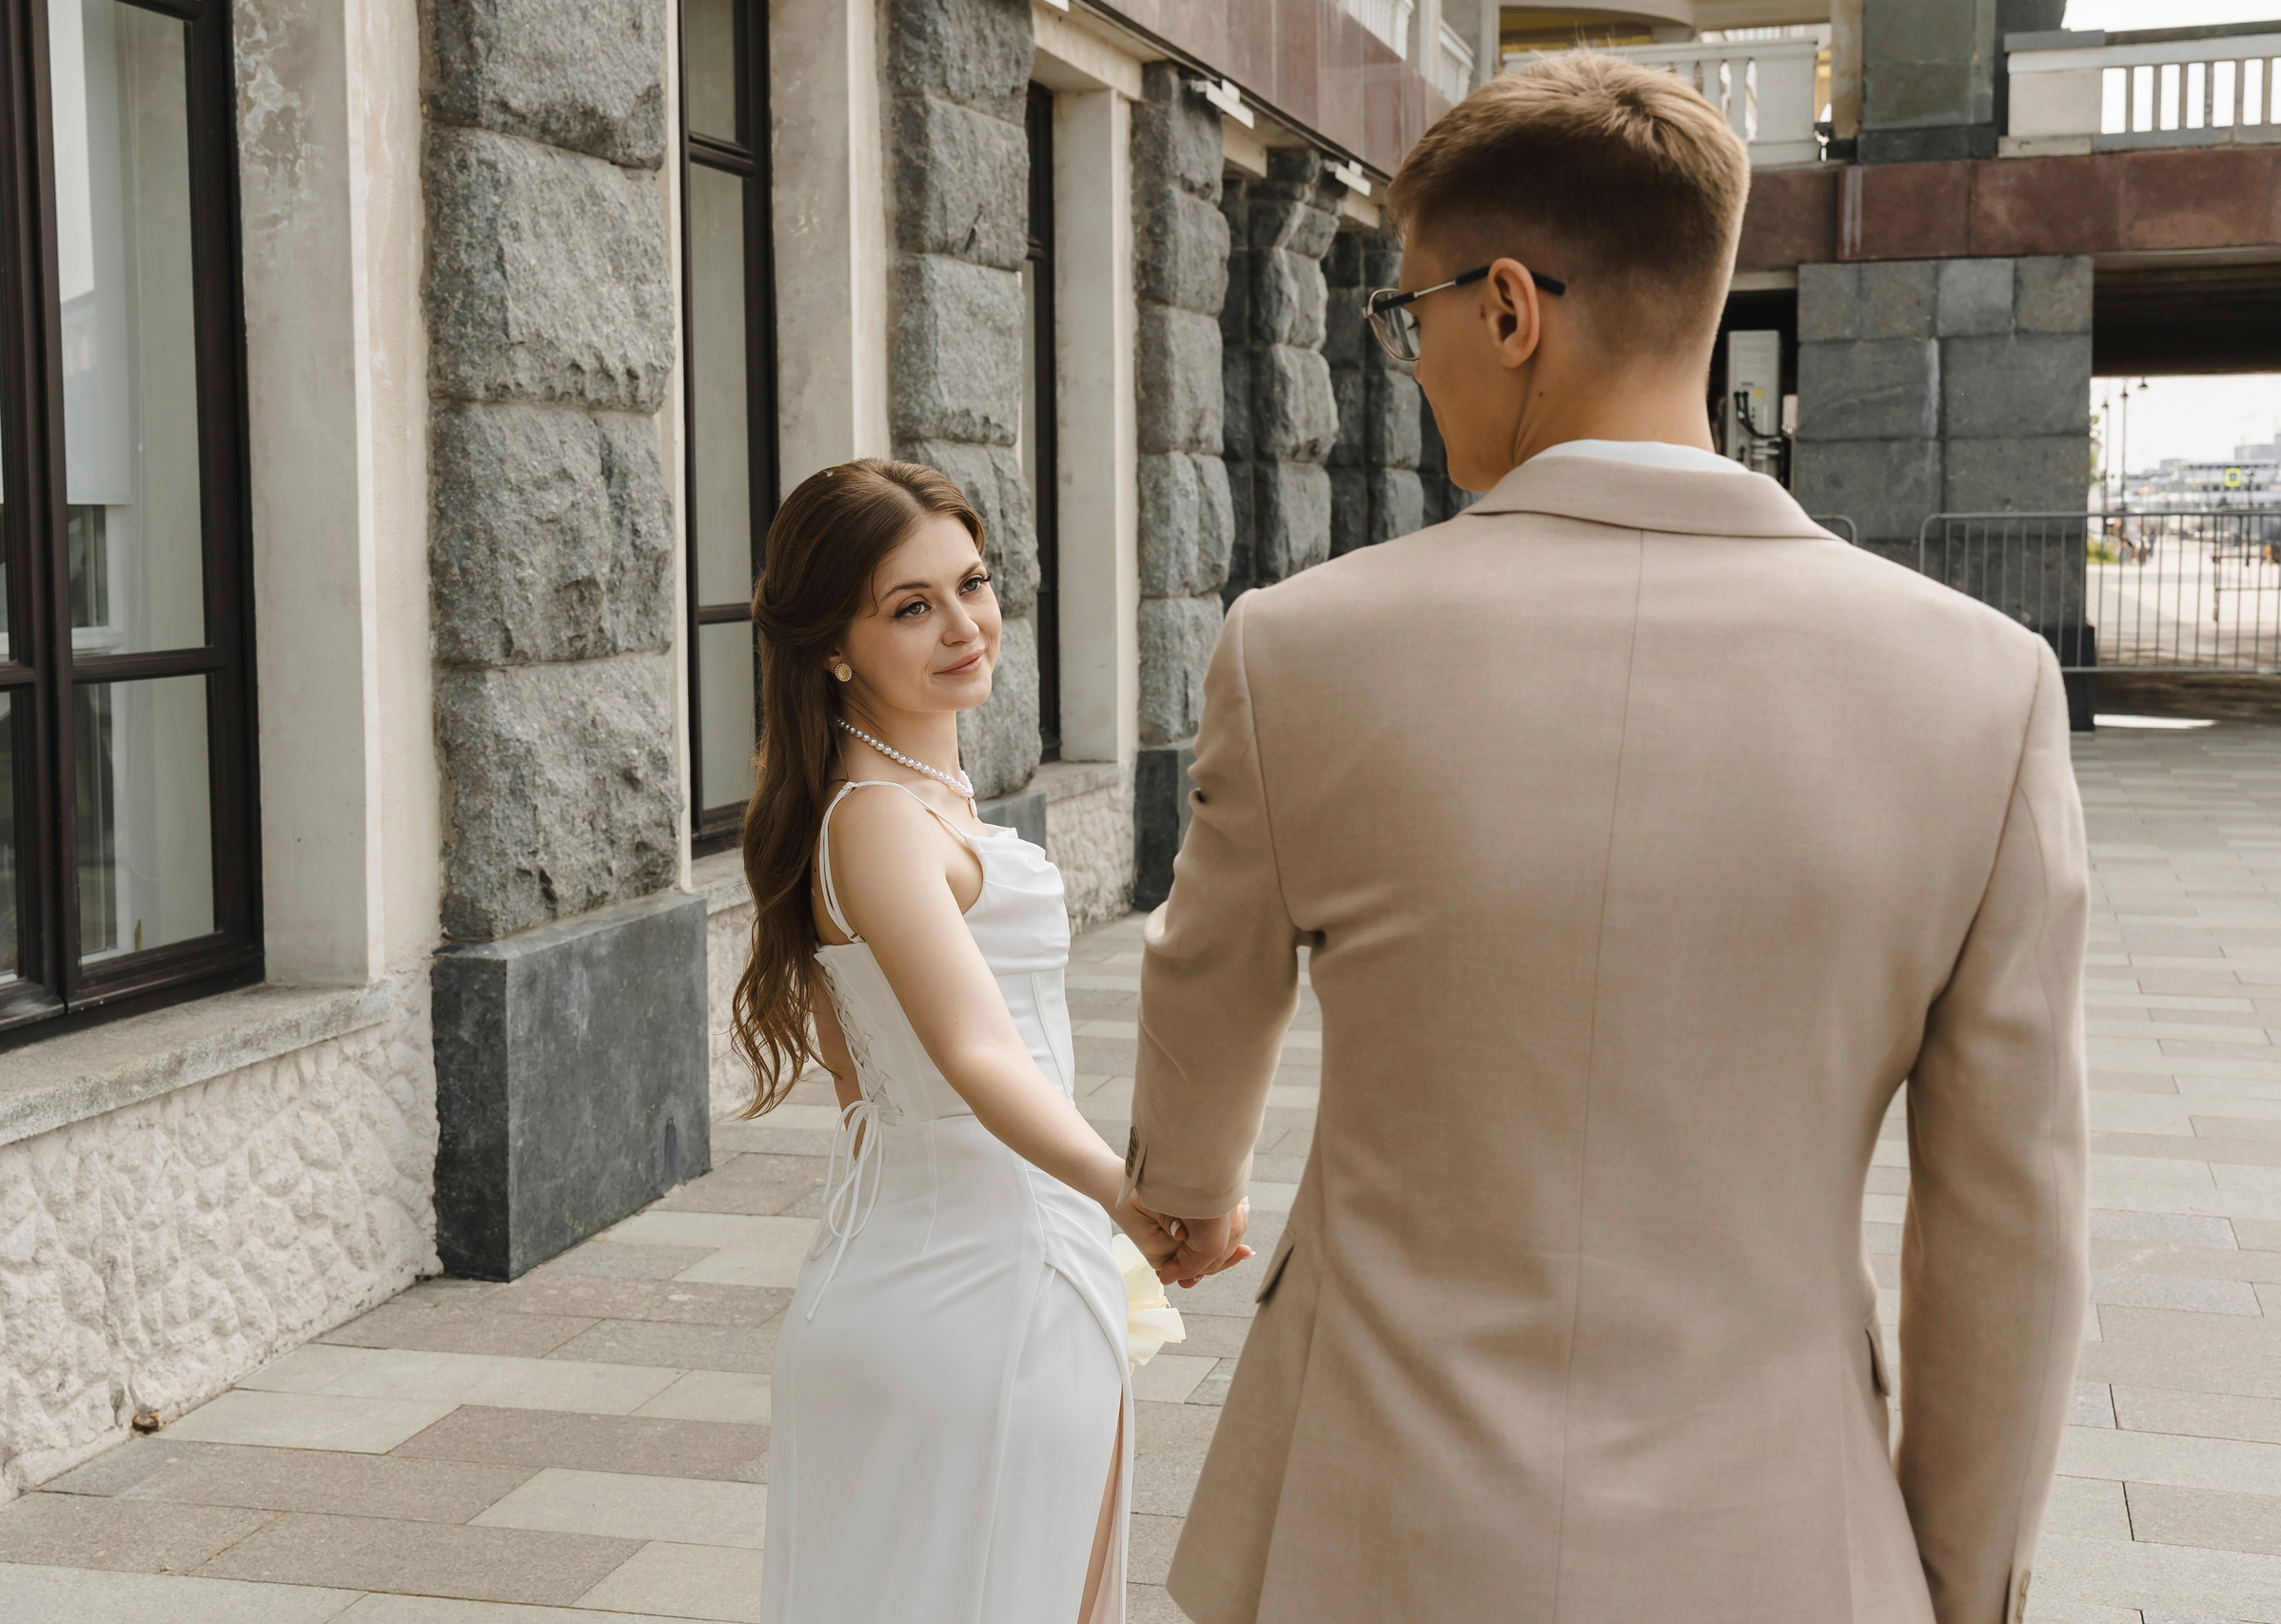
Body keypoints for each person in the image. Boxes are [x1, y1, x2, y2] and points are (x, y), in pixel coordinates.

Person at [1126, 53, 2089, 1624]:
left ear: (1511, 308)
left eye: (1407, 311)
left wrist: (1187, 1179)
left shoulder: (1301, 649)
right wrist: (1958, 1585)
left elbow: (1206, 972)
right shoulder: (1984, 688)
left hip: (1368, 1518)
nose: (1410, 356)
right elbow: (2011, 1222)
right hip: (1776, 1534)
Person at [735, 460, 1225, 1624]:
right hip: (968, 1302)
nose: (965, 625)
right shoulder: (878, 824)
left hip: (970, 1271)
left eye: (973, 583)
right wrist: (1130, 1195)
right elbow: (976, 1052)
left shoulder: (899, 807)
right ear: (835, 647)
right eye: (912, 606)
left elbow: (863, 1081)